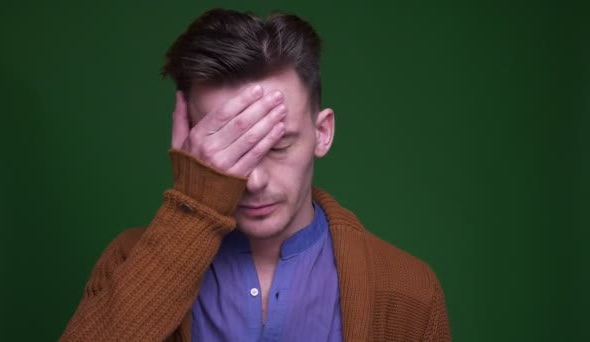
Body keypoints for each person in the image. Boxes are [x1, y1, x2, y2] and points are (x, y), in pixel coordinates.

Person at [60, 8, 451, 342]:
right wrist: (192, 206)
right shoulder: (129, 262)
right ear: (188, 148)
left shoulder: (408, 291)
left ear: (323, 132)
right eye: (229, 151)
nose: (254, 181)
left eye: (278, 146)